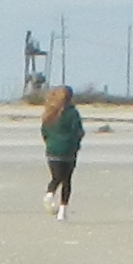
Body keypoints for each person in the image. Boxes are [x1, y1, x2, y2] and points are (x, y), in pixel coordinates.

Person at [40, 83, 84, 216]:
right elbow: (77, 131)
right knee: (67, 180)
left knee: (56, 177)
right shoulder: (72, 113)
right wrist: (76, 143)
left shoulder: (49, 112)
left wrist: (50, 143)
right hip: (68, 150)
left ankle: (49, 194)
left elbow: (44, 131)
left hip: (52, 150)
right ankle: (62, 211)